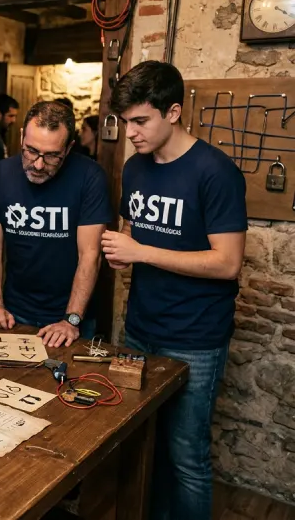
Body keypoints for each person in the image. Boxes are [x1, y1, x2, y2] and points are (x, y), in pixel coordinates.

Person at [102, 61, 246, 520]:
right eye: (126, 122)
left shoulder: (215, 172)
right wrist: (125, 252)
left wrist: (141, 252)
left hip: (194, 338)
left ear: (174, 112)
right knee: (143, 443)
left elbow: (227, 262)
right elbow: (135, 232)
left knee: (186, 456)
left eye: (141, 121)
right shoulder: (135, 168)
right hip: (140, 328)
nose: (131, 133)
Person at [0, 101, 112, 346]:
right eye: (31, 151)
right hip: (14, 313)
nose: (38, 164)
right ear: (22, 136)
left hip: (72, 317)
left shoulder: (90, 177)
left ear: (69, 147)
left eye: (52, 155)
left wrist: (71, 319)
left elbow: (90, 255)